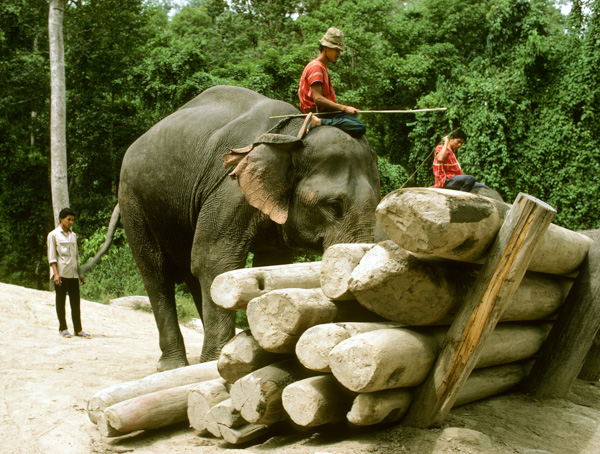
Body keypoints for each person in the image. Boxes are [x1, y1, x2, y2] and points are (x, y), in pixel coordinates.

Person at [298, 27, 366, 138]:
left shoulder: (321, 67)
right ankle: (318, 122)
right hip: (319, 112)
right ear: (325, 47)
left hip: (326, 112)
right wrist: (344, 108)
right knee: (359, 127)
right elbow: (317, 98)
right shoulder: (316, 67)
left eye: (340, 50)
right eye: (336, 50)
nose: (339, 54)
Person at [47, 207, 91, 339]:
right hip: (61, 274)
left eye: (72, 220)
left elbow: (76, 257)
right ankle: (63, 328)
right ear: (61, 219)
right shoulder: (53, 235)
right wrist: (55, 273)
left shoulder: (73, 235)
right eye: (69, 219)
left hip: (73, 275)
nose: (71, 222)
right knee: (61, 302)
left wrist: (80, 274)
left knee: (75, 303)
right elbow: (52, 257)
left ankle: (78, 329)